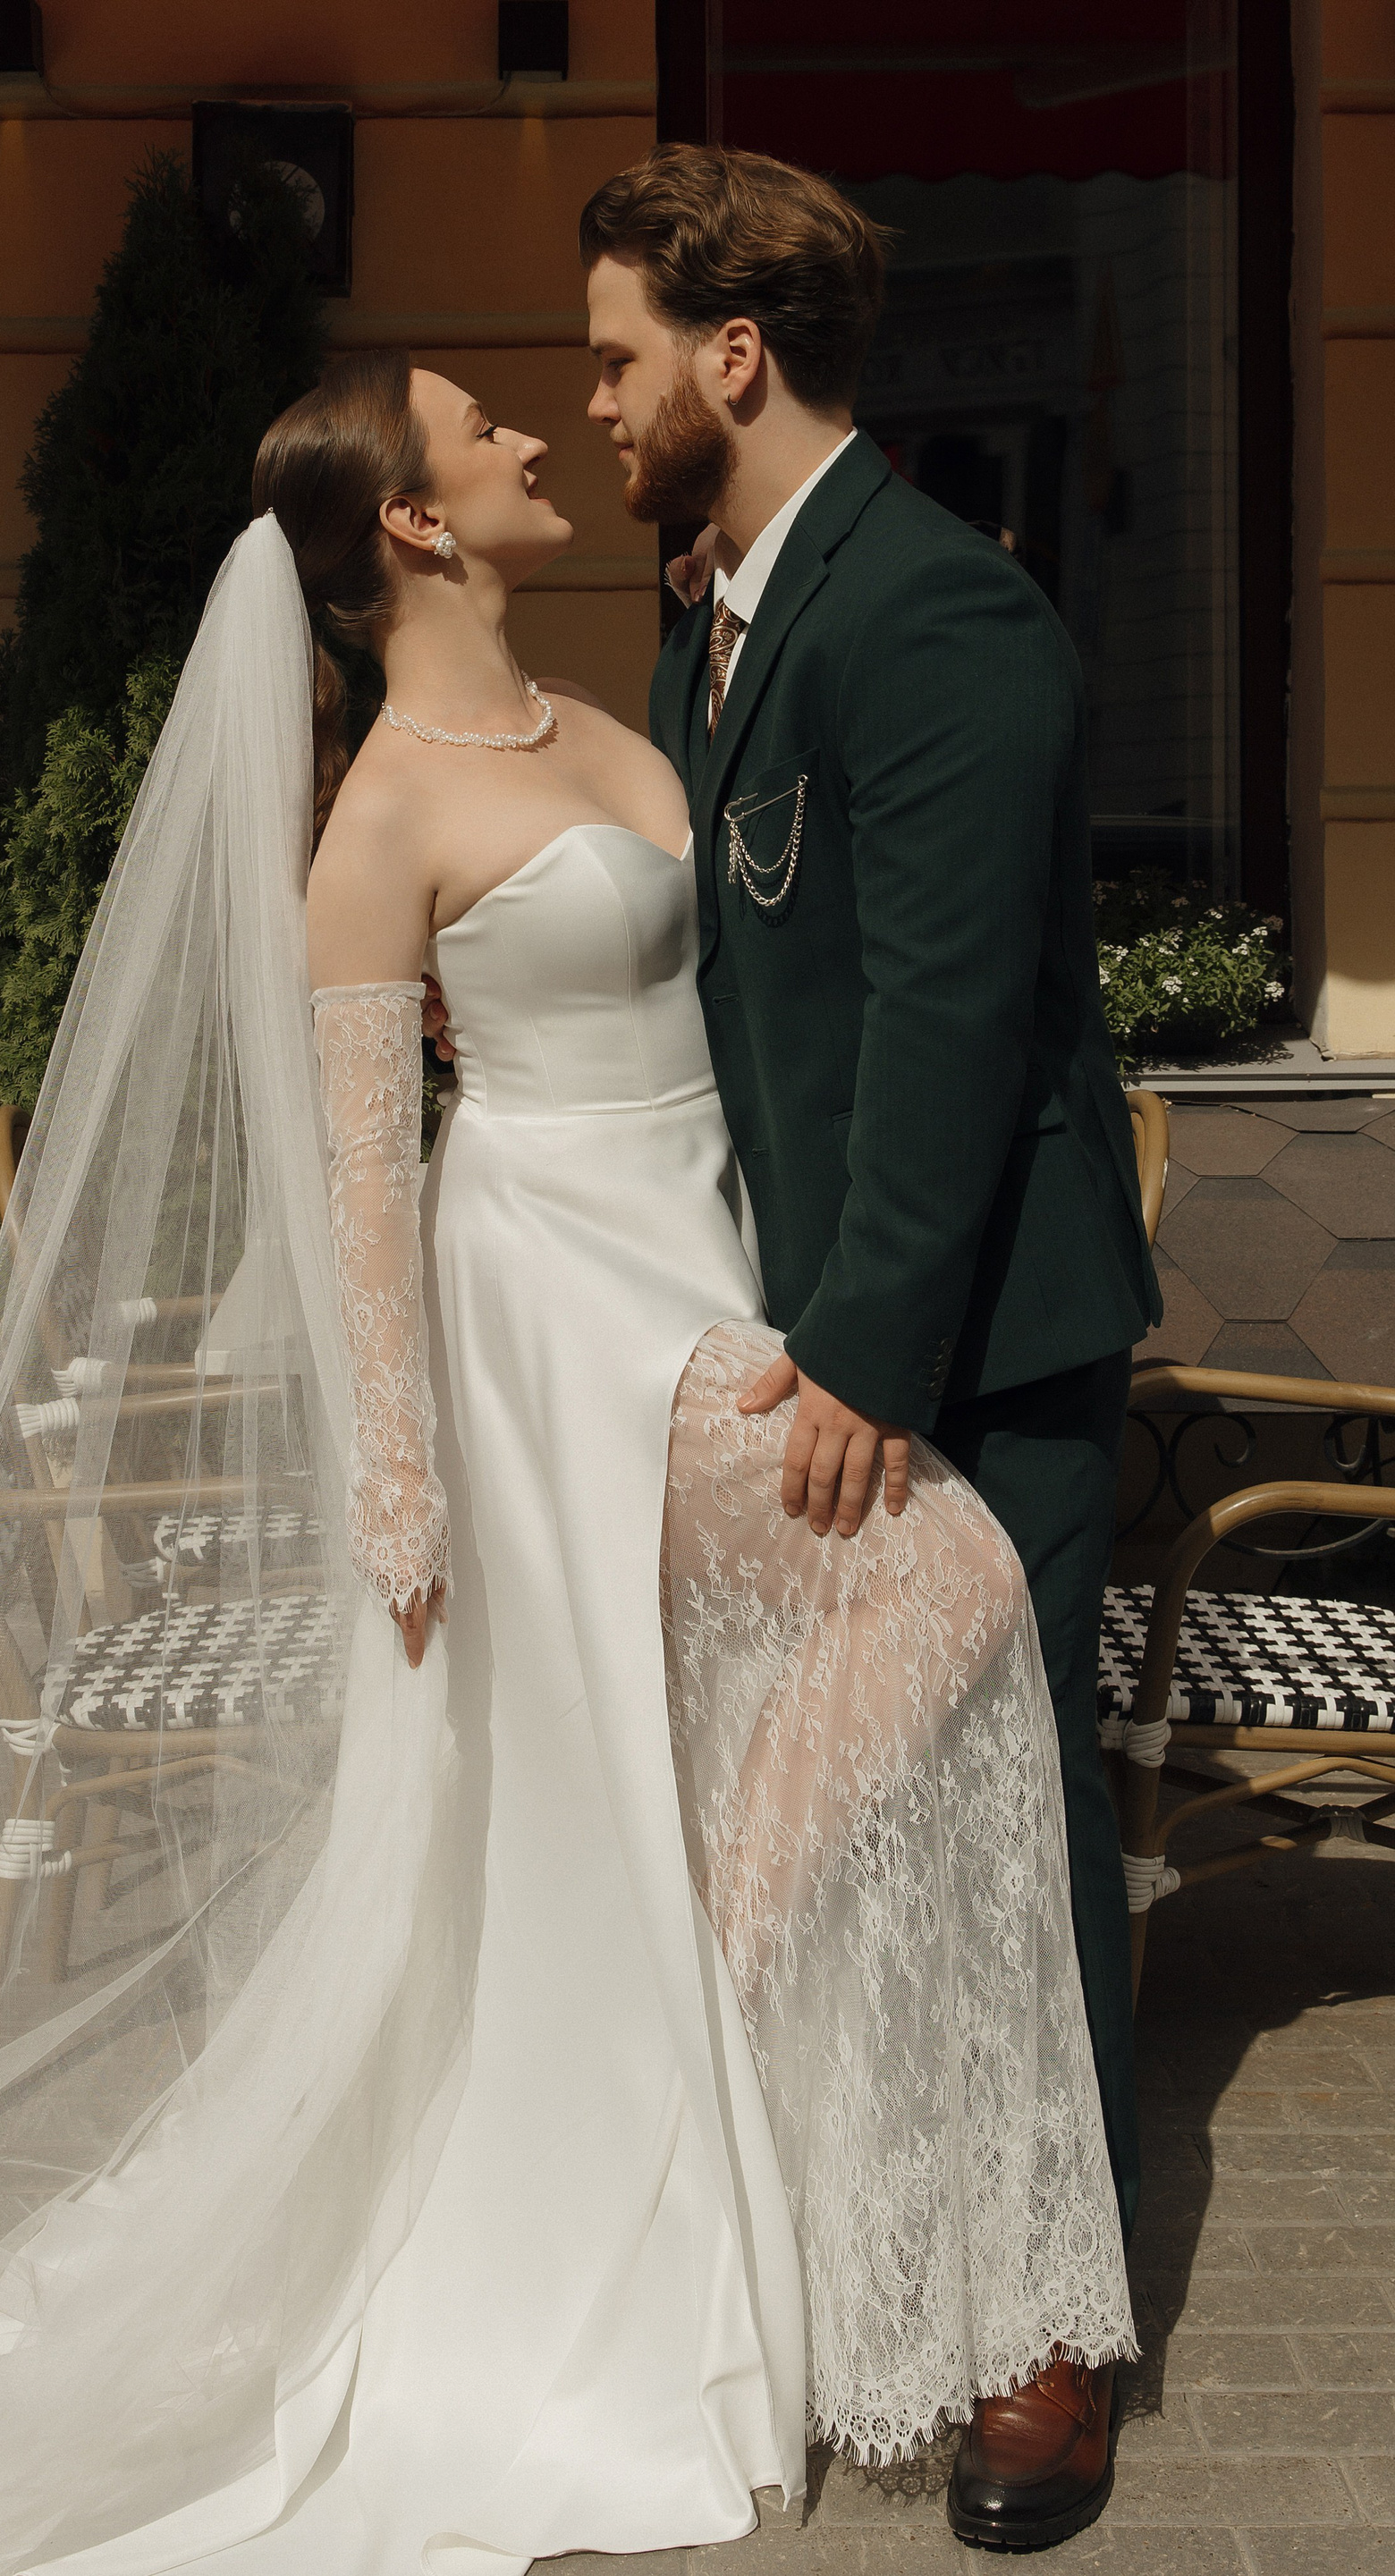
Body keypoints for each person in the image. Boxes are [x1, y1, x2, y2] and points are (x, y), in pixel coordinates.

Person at [0, 345, 1132, 2576]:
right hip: (558, 1310)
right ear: (417, 521)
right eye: (483, 429)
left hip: (712, 1243)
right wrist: (396, 1478)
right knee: (935, 1586)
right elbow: (365, 1177)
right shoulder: (376, 827)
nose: (543, 431)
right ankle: (719, 2001)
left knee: (818, 1666)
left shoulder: (636, 703)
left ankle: (738, 1996)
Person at [578, 140, 1162, 2545]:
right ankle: (892, 2240)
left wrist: (869, 1356)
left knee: (1022, 1809)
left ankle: (1050, 2342)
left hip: (969, 1343)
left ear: (734, 355)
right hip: (800, 1341)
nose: (594, 402)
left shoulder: (938, 614)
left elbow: (946, 1013)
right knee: (878, 1829)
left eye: (616, 357)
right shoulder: (712, 626)